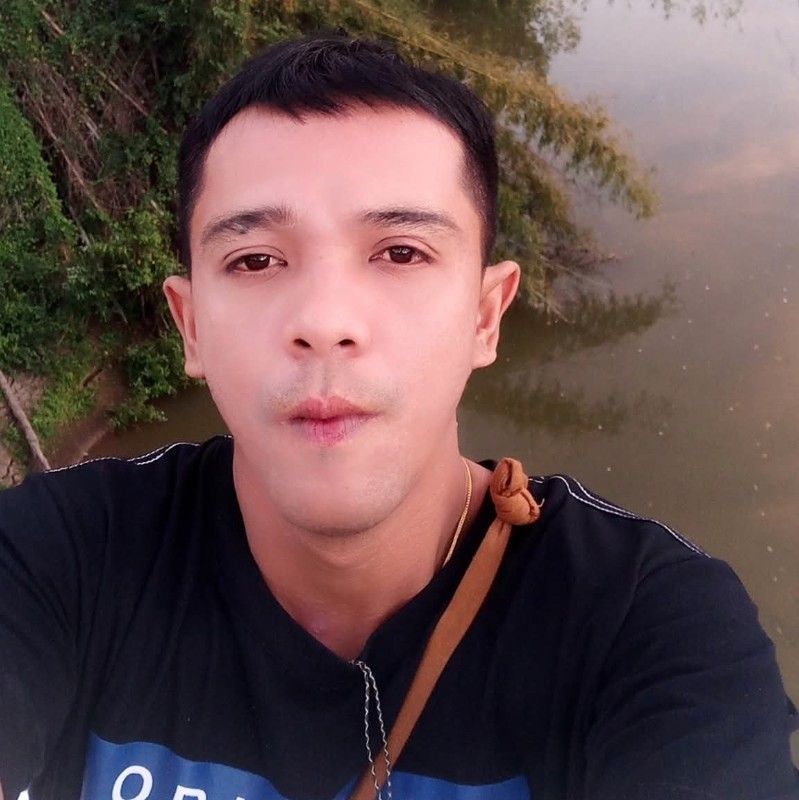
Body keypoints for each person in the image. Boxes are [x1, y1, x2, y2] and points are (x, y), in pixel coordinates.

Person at [0, 33, 797, 800]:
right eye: (255, 259)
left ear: (485, 315)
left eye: (401, 252)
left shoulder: (644, 625)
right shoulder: (60, 558)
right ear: (192, 327)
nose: (324, 321)